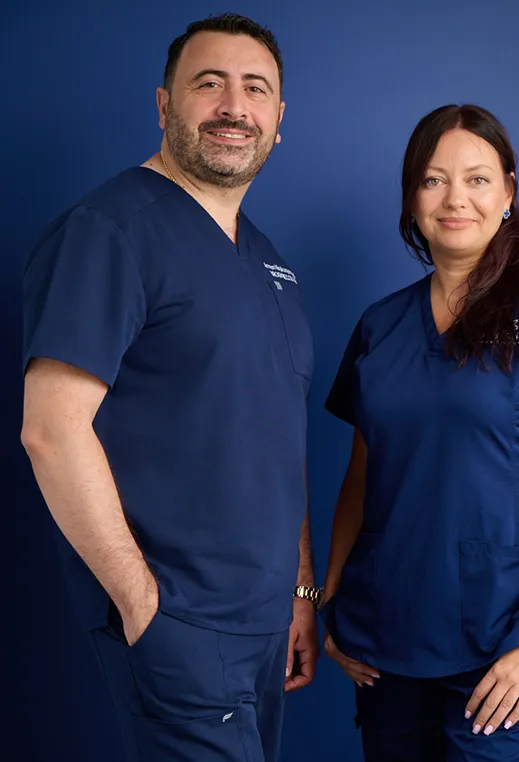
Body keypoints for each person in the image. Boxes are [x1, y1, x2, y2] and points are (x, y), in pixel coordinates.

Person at [21, 14, 321, 762]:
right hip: (180, 623)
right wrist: (142, 604)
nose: (232, 105)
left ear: (278, 121)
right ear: (164, 105)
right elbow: (51, 429)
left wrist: (299, 591)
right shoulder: (110, 230)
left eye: (255, 89)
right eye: (208, 83)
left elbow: (275, 435)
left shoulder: (270, 262)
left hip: (265, 626)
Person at [321, 104, 519, 761]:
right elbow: (360, 480)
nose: (455, 198)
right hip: (383, 648)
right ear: (410, 199)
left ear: (508, 193)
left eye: (477, 179)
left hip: (501, 655)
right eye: (431, 180)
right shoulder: (378, 326)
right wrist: (328, 603)